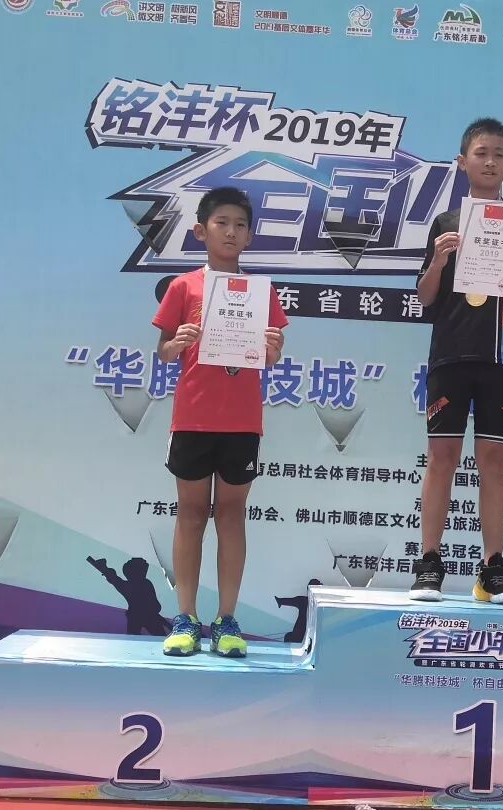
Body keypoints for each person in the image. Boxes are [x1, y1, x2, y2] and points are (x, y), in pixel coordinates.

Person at [409, 117, 503, 604]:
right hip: (450, 355)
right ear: (462, 162)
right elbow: (425, 297)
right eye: (481, 153)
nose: (490, 162)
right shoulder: (446, 224)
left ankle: (492, 568)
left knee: (494, 459)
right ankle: (429, 562)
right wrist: (438, 261)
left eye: (499, 155)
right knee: (442, 457)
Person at [153, 186, 288, 657]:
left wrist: (272, 350)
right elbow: (163, 351)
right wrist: (177, 343)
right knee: (191, 514)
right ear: (200, 231)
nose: (231, 232)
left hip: (242, 421)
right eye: (221, 223)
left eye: (240, 225)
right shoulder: (183, 287)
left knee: (231, 516)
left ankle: (227, 618)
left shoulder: (261, 292)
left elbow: (271, 354)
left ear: (250, 236)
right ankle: (185, 617)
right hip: (193, 418)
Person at [88, 556, 173, 637]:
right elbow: (115, 579)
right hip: (140, 616)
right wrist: (105, 569)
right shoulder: (144, 583)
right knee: (154, 637)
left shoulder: (139, 584)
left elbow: (115, 579)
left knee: (155, 637)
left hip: (140, 616)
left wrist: (105, 569)